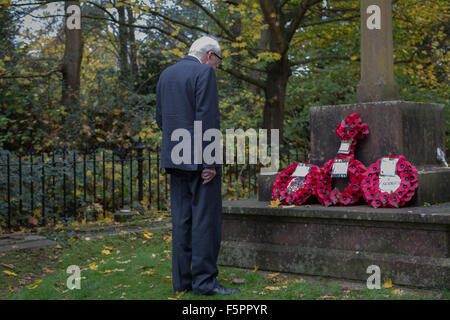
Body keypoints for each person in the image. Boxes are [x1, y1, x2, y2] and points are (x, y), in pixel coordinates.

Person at [156, 36, 239, 296]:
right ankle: (205, 283)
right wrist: (210, 162)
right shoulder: (204, 72)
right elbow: (207, 117)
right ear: (210, 55)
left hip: (175, 157)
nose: (217, 66)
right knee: (205, 221)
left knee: (181, 221)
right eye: (218, 60)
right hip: (200, 159)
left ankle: (182, 283)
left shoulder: (166, 74)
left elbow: (160, 119)